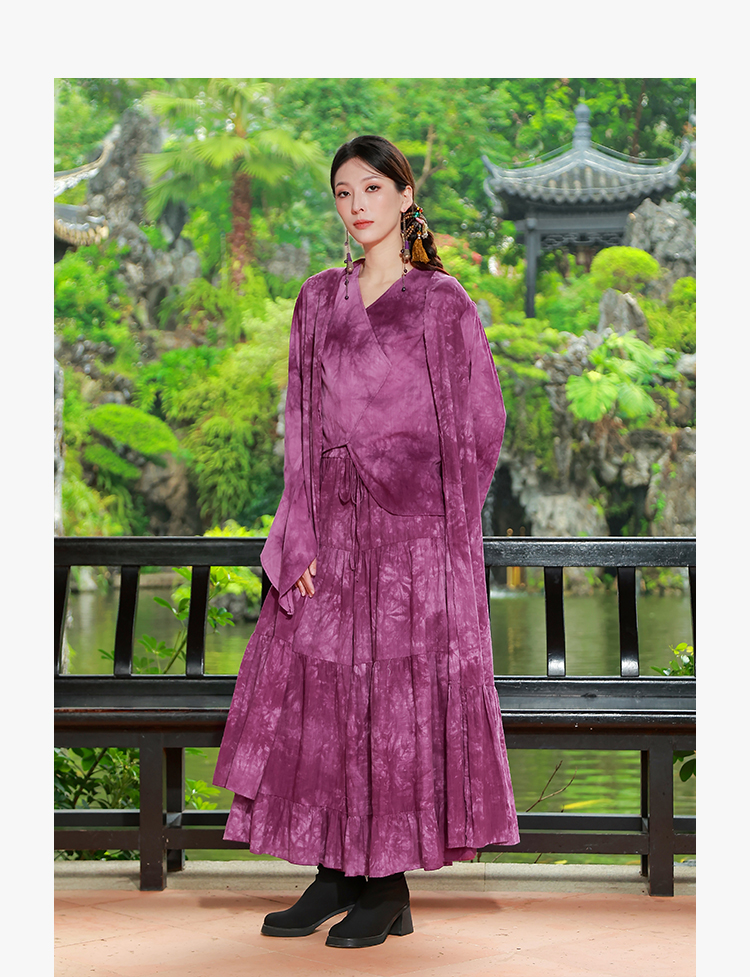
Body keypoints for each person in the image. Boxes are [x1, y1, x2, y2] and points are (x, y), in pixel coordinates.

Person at [213, 134, 519, 949]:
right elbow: (301, 421)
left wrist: (442, 526)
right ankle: (335, 871)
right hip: (331, 528)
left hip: (414, 542)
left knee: (396, 705)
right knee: (321, 697)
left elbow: (482, 420)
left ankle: (387, 884)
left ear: (405, 194)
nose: (357, 205)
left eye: (373, 188)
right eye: (344, 192)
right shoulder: (317, 298)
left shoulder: (442, 301)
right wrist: (300, 530)